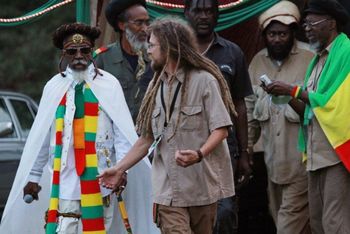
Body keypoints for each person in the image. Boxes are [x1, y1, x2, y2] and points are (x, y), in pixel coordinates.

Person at [0, 23, 158, 234]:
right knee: (65, 229)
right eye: (72, 51)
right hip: (65, 180)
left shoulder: (108, 84)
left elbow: (121, 134)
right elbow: (43, 137)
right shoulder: (54, 87)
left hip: (102, 178)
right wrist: (34, 177)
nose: (78, 56)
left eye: (84, 50)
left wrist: (122, 171)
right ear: (63, 54)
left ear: (91, 51)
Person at [98, 17, 236, 234]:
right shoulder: (155, 85)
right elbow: (146, 139)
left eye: (152, 45)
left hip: (202, 187)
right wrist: (118, 168)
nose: (148, 50)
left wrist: (199, 154)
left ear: (169, 47)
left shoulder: (205, 81)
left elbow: (221, 129)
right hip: (167, 189)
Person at [263, 0, 350, 233]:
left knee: (336, 224)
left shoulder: (347, 51)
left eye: (312, 23)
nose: (307, 29)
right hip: (314, 153)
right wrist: (284, 96)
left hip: (336, 155)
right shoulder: (317, 59)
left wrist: (293, 90)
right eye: (306, 24)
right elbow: (312, 112)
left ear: (331, 23)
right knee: (318, 223)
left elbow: (336, 104)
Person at [184, 0, 253, 233]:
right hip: (185, 146)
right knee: (189, 212)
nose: (204, 16)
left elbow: (240, 104)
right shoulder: (175, 51)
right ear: (186, 13)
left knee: (223, 212)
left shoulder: (232, 52)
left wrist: (244, 152)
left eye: (209, 11)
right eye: (198, 10)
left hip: (225, 146)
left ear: (217, 15)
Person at [245, 1, 314, 233]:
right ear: (264, 35)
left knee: (287, 227)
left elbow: (321, 109)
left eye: (282, 34)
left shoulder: (311, 58)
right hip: (273, 166)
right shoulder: (257, 62)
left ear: (293, 33)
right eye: (272, 34)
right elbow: (249, 112)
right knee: (285, 222)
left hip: (303, 165)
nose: (277, 39)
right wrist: (246, 149)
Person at [94, 0, 153, 122]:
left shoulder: (156, 58)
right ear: (122, 25)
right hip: (113, 135)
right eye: (139, 23)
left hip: (148, 135)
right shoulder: (102, 58)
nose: (145, 29)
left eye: (147, 23)